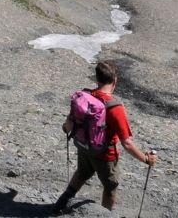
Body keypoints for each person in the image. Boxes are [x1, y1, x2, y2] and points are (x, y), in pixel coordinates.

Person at [53, 60, 157, 214]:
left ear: (97, 79)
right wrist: (146, 159)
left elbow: (68, 124)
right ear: (115, 81)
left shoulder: (84, 97)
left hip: (83, 146)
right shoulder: (115, 107)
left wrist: (66, 129)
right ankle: (105, 214)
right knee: (110, 187)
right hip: (105, 155)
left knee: (81, 174)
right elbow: (127, 143)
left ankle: (58, 206)